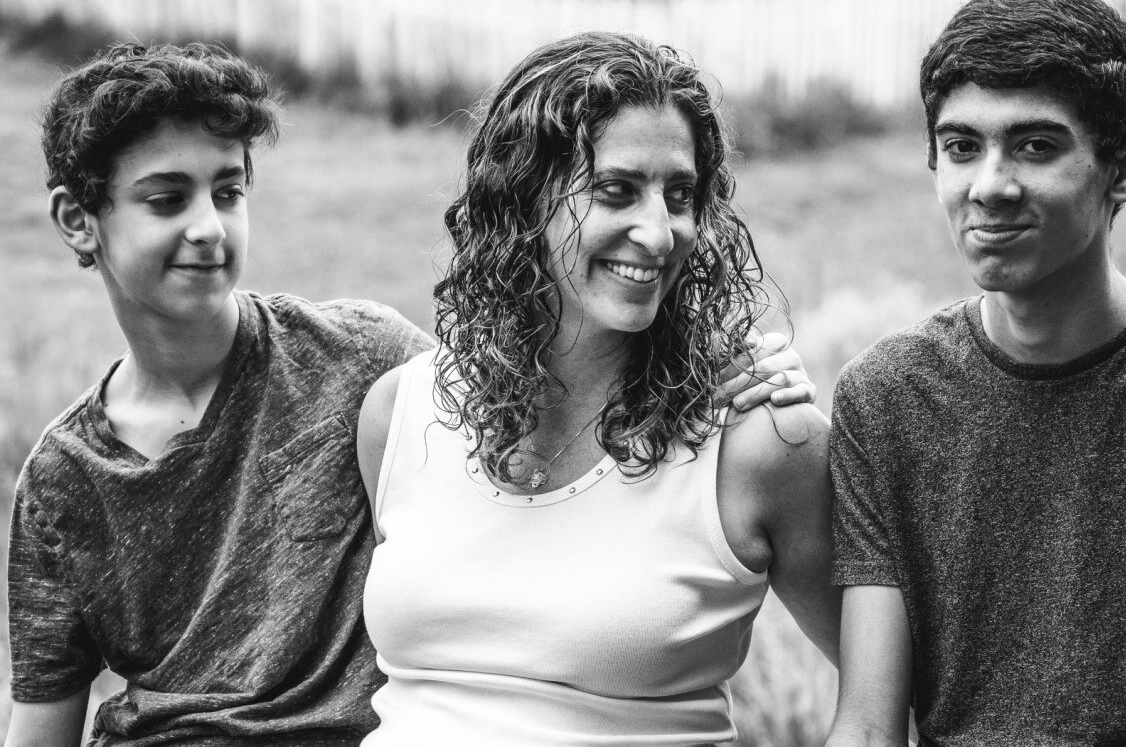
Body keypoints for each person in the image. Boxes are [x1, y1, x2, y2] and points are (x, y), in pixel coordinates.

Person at [6, 42, 810, 747]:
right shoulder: (64, 481)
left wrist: (739, 366)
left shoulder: (361, 361)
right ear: (80, 221)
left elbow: (537, 397)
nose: (209, 227)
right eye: (165, 199)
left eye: (228, 191)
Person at [356, 31, 840, 746]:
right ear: (525, 199)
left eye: (680, 195)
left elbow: (895, 688)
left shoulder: (757, 440)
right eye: (617, 191)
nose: (659, 231)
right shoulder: (398, 414)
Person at [825, 0, 1126, 746]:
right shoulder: (885, 396)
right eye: (963, 146)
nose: (990, 186)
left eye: (1036, 146)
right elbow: (867, 726)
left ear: (1124, 170)